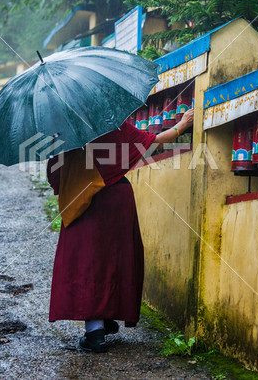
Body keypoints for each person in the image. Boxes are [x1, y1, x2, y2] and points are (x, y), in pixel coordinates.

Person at [46, 108, 194, 353]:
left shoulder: (65, 127)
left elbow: (55, 172)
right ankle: (104, 319)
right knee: (115, 258)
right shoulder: (112, 120)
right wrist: (183, 125)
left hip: (82, 199)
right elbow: (154, 141)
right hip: (117, 197)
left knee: (87, 261)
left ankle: (96, 332)